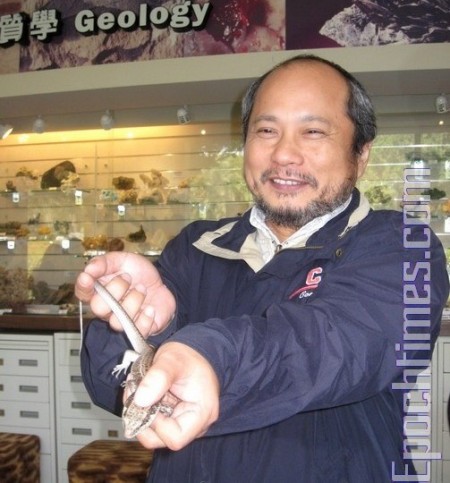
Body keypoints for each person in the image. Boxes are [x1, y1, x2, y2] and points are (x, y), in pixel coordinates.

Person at [75, 54, 449, 482]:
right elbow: (109, 382)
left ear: (361, 154)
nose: (284, 153)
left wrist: (212, 359)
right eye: (266, 131)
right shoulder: (196, 248)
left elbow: (338, 344)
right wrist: (144, 324)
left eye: (313, 131)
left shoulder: (400, 246)